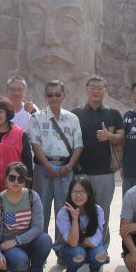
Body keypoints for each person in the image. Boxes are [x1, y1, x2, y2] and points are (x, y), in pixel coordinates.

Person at [19, 0, 104, 107]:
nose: (49, 38)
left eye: (67, 21)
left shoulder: (117, 115)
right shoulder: (6, 112)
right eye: (35, 18)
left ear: (97, 36)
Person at [72, 75, 125, 241]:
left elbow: (121, 137)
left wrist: (109, 136)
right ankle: (81, 244)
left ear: (105, 90)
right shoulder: (75, 114)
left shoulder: (113, 113)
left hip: (105, 172)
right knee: (81, 211)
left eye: (100, 88)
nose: (96, 91)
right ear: (86, 90)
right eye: (92, 88)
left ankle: (101, 246)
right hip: (81, 173)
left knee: (103, 212)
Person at [30, 80, 83, 233]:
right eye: (50, 94)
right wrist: (48, 166)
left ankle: (62, 245)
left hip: (65, 168)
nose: (54, 97)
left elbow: (78, 145)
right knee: (41, 210)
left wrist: (69, 166)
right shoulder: (36, 118)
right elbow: (35, 144)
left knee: (64, 210)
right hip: (43, 168)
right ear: (45, 96)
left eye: (57, 94)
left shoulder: (73, 118)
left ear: (64, 96)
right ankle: (42, 245)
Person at [0, 162, 51, 272]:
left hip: (26, 240)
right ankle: (1, 271)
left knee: (45, 240)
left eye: (20, 179)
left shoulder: (33, 197)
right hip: (7, 245)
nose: (16, 182)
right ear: (6, 180)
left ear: (25, 182)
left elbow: (38, 227)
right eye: (12, 178)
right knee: (20, 261)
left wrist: (17, 241)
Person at [53, 175, 108, 272]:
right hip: (71, 248)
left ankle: (95, 271)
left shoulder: (98, 210)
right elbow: (73, 243)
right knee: (78, 253)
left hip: (91, 246)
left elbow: (96, 240)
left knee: (101, 254)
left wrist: (82, 240)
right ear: (70, 193)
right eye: (75, 192)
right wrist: (74, 219)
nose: (78, 195)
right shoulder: (63, 212)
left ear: (89, 193)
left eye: (82, 192)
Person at [0, 97, 33, 202]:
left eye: (0, 112)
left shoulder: (20, 133)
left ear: (7, 113)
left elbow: (27, 160)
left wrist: (27, 183)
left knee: (13, 213)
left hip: (15, 187)